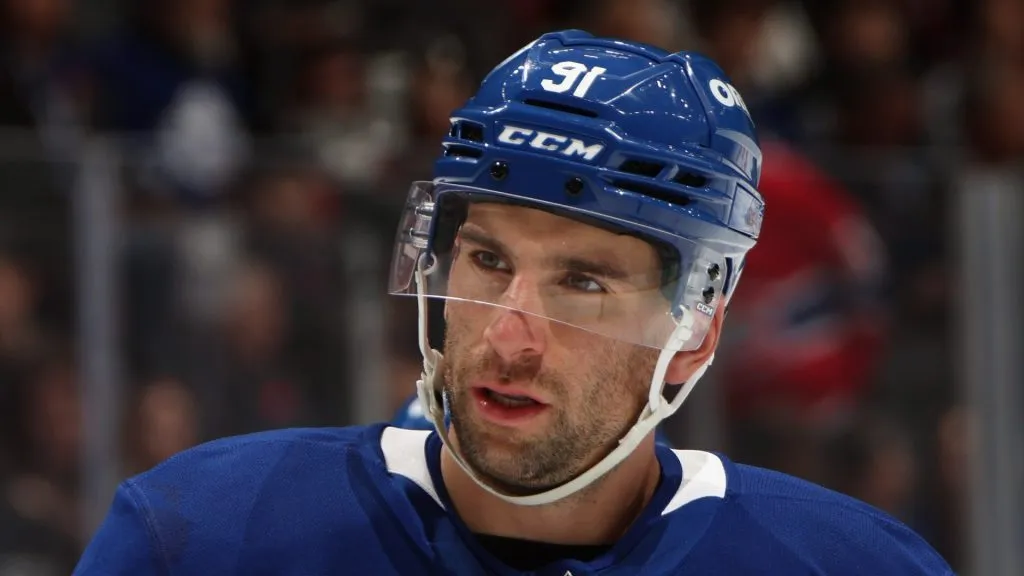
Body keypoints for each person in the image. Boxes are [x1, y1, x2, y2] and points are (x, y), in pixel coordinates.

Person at [73, 31, 954, 575]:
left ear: (694, 332)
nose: (508, 336)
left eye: (583, 283)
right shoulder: (201, 538)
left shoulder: (848, 567)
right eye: (488, 261)